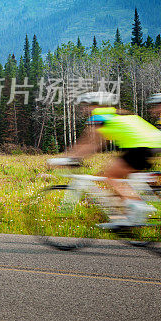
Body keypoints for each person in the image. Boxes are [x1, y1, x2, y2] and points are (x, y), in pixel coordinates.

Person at [52, 92, 161, 227]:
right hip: (148, 144)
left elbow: (92, 144)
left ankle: (136, 213)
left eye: (87, 106)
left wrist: (69, 158)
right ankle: (125, 216)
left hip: (140, 146)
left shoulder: (99, 116)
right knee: (119, 178)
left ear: (95, 105)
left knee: (110, 176)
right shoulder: (116, 113)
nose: (85, 109)